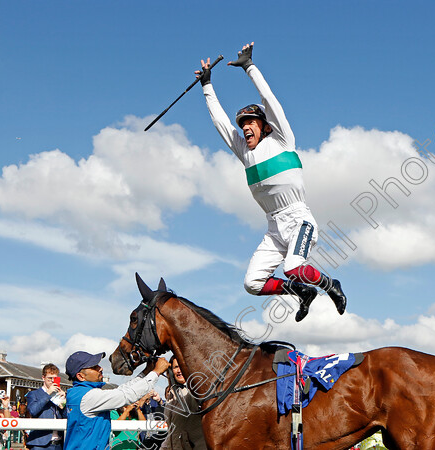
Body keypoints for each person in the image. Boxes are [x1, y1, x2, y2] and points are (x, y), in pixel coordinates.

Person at [197, 42, 347, 322]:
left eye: (251, 122)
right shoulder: (245, 153)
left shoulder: (282, 140)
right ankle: (302, 293)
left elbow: (270, 99)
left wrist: (249, 67)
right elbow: (220, 123)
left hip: (299, 219)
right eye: (242, 124)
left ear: (265, 126)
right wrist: (207, 85)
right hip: (274, 227)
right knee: (252, 283)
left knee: (293, 267)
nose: (245, 127)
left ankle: (330, 285)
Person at [63, 351, 169, 450]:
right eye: (94, 367)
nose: (100, 368)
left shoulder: (79, 393)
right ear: (81, 376)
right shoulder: (89, 396)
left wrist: (146, 372)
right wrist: (156, 372)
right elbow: (127, 395)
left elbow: (121, 390)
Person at [160, 355, 206, 450]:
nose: (179, 370)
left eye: (181, 366)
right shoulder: (171, 395)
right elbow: (173, 431)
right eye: (176, 367)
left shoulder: (196, 391)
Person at [26, 363, 67, 450]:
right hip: (40, 444)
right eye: (49, 378)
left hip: (58, 443)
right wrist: (48, 394)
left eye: (55, 378)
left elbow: (66, 416)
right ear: (43, 378)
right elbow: (33, 411)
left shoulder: (59, 394)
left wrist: (63, 402)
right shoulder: (33, 394)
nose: (52, 381)